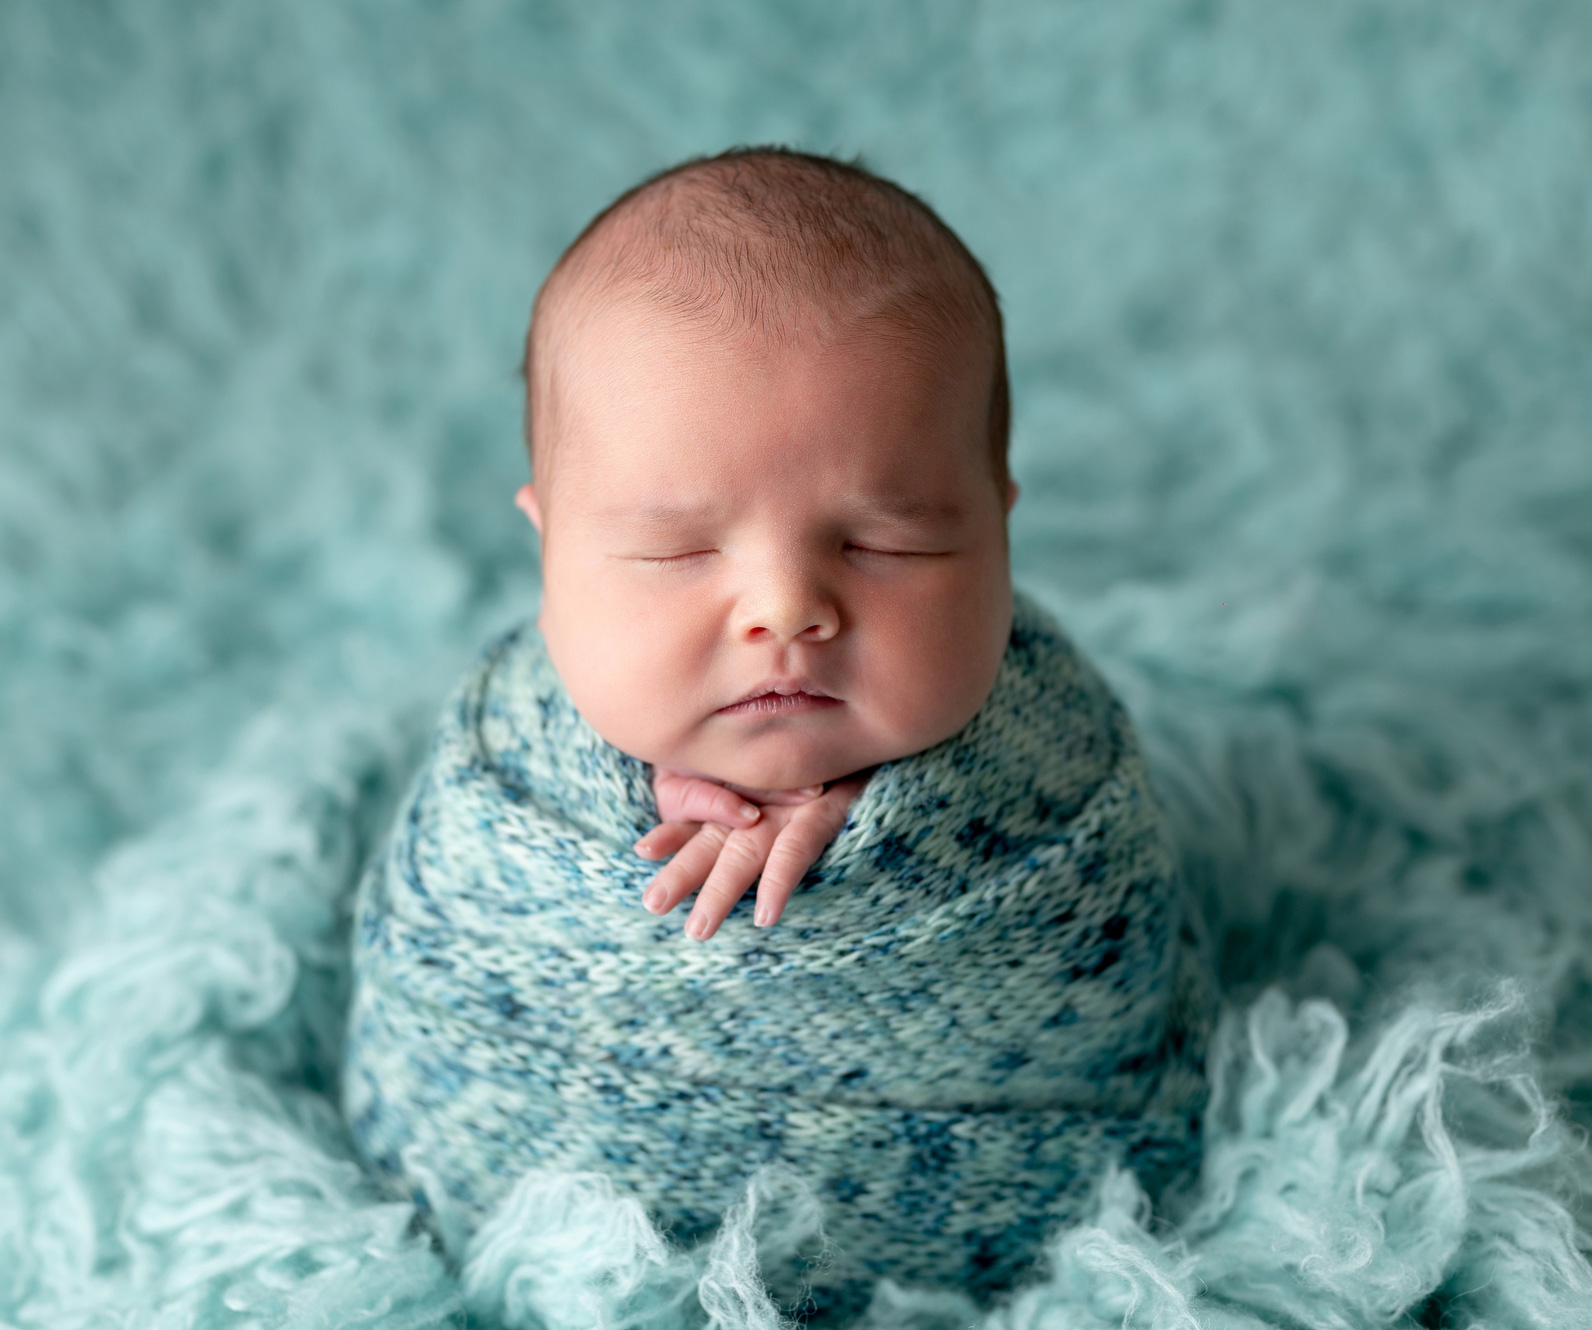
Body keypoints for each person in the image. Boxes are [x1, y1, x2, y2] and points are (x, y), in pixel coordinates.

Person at [345, 148, 1213, 1308]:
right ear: (547, 544)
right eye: (674, 552)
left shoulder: (1053, 748)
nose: (786, 609)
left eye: (888, 544)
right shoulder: (513, 754)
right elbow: (442, 964)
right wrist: (636, 785)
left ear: (996, 528)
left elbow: (1100, 937)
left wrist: (907, 824)